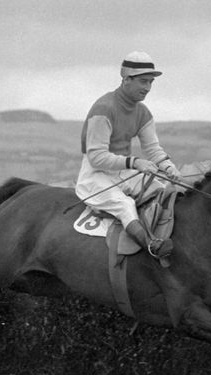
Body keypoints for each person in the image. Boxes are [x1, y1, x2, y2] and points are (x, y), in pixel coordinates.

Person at [75, 51, 182, 262]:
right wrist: (135, 162)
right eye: (143, 81)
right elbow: (96, 157)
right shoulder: (104, 108)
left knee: (164, 190)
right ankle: (151, 246)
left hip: (124, 172)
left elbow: (152, 148)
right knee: (125, 205)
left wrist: (169, 167)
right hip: (95, 175)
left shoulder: (143, 112)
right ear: (126, 79)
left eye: (151, 82)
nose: (148, 88)